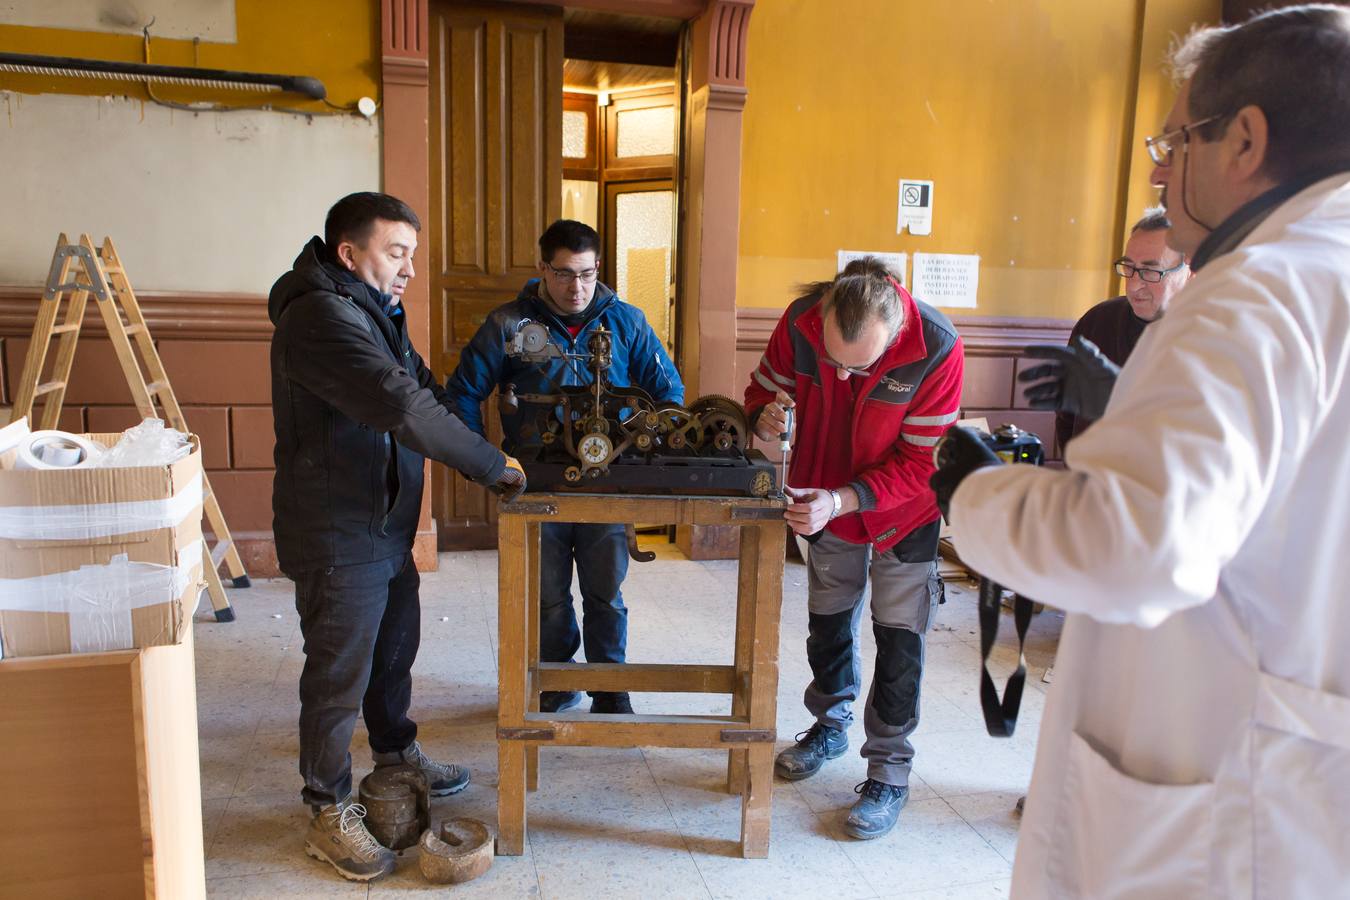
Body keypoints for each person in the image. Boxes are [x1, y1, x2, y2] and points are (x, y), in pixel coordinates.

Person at [931, 6, 1350, 896]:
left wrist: (979, 495)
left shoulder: (1259, 290)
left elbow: (1136, 546)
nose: (1161, 171)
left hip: (1225, 801)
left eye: (1174, 143)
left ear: (1244, 139)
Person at [269, 191, 525, 882]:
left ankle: (395, 752)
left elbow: (426, 390)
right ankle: (327, 806)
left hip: (381, 523)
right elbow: (397, 403)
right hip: (336, 530)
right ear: (350, 254)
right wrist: (489, 465)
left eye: (414, 254)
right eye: (396, 253)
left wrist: (495, 443)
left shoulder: (374, 309)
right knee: (337, 675)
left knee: (392, 650)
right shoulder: (320, 317)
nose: (409, 268)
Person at [745, 257, 964, 839]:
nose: (841, 377)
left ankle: (889, 771)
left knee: (899, 634)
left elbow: (923, 463)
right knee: (828, 617)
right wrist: (763, 418)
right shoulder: (800, 322)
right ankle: (830, 722)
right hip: (824, 497)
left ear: (893, 332)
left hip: (903, 512)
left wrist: (842, 500)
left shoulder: (937, 346)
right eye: (833, 364)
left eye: (858, 366)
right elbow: (763, 394)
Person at [447, 219, 683, 716]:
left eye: (587, 274)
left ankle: (609, 686)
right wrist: (485, 464)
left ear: (599, 268)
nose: (576, 288)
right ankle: (557, 676)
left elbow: (670, 396)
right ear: (542, 269)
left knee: (605, 591)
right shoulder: (508, 326)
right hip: (535, 480)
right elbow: (463, 394)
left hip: (608, 483)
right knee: (548, 592)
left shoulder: (628, 322)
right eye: (563, 274)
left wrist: (641, 455)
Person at [1024, 208, 1189, 451]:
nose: (1133, 285)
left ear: (1190, 271)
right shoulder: (1098, 322)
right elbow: (1067, 421)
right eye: (1128, 267)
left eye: (1151, 271)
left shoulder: (1209, 342)